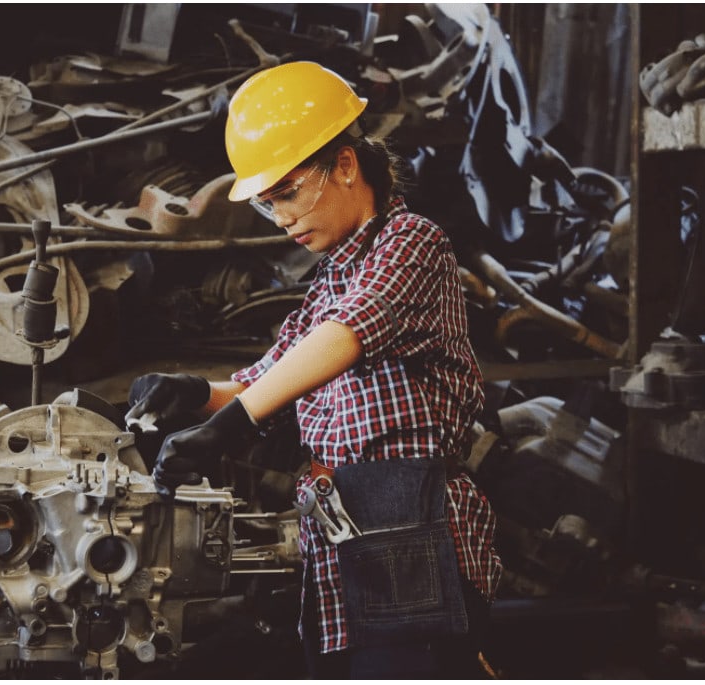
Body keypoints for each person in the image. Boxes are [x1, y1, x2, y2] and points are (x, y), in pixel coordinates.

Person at [125, 61, 501, 679]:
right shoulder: (329, 283)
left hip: (412, 531)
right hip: (344, 534)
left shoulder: (411, 243)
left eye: (289, 192)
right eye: (269, 204)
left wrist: (235, 423)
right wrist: (192, 395)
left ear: (346, 165)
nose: (282, 219)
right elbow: (264, 381)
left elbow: (347, 335)